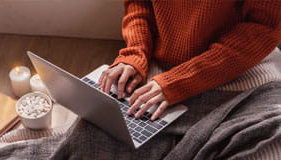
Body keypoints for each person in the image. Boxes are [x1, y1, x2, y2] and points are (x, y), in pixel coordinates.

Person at [98, 0, 281, 121]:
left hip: (244, 65)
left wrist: (181, 81)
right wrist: (134, 53)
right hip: (159, 64)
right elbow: (139, 2)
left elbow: (262, 29)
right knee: (93, 132)